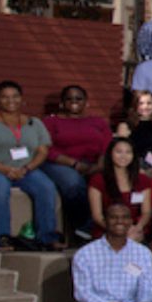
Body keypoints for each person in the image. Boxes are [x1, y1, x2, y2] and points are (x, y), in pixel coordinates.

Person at [0, 80, 61, 250]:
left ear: (22, 99)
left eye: (15, 96)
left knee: (46, 187)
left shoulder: (34, 123)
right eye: (5, 97)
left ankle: (47, 238)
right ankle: (3, 238)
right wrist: (3, 169)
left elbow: (42, 151)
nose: (11, 101)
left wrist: (27, 168)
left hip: (25, 169)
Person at [41, 84, 110, 237]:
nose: (74, 101)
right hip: (60, 163)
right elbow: (46, 149)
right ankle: (82, 225)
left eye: (78, 98)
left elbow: (107, 144)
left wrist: (100, 164)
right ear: (62, 102)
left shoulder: (98, 122)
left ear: (86, 102)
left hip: (94, 163)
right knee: (73, 183)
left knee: (111, 181)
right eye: (69, 99)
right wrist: (74, 164)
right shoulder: (51, 122)